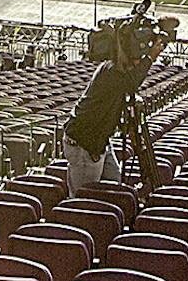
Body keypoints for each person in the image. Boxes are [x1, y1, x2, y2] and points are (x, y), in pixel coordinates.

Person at [63, 12, 178, 192]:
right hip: (85, 144)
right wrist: (151, 57)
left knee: (113, 182)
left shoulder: (116, 70)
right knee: (83, 197)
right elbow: (132, 82)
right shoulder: (111, 72)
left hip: (99, 140)